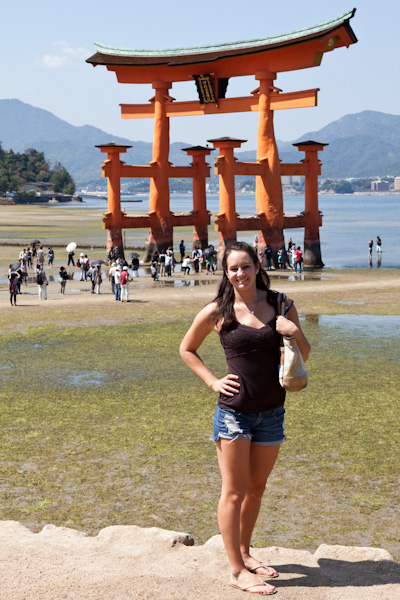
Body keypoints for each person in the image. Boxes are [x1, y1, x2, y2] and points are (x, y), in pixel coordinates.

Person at [180, 241, 310, 595]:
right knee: (234, 492)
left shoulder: (281, 304)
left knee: (256, 489)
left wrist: (293, 330)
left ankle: (246, 553)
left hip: (272, 412)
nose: (241, 273)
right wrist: (212, 381)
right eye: (233, 268)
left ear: (257, 265)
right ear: (226, 273)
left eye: (246, 266)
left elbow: (305, 354)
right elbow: (186, 349)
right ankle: (236, 570)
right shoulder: (217, 311)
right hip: (233, 413)